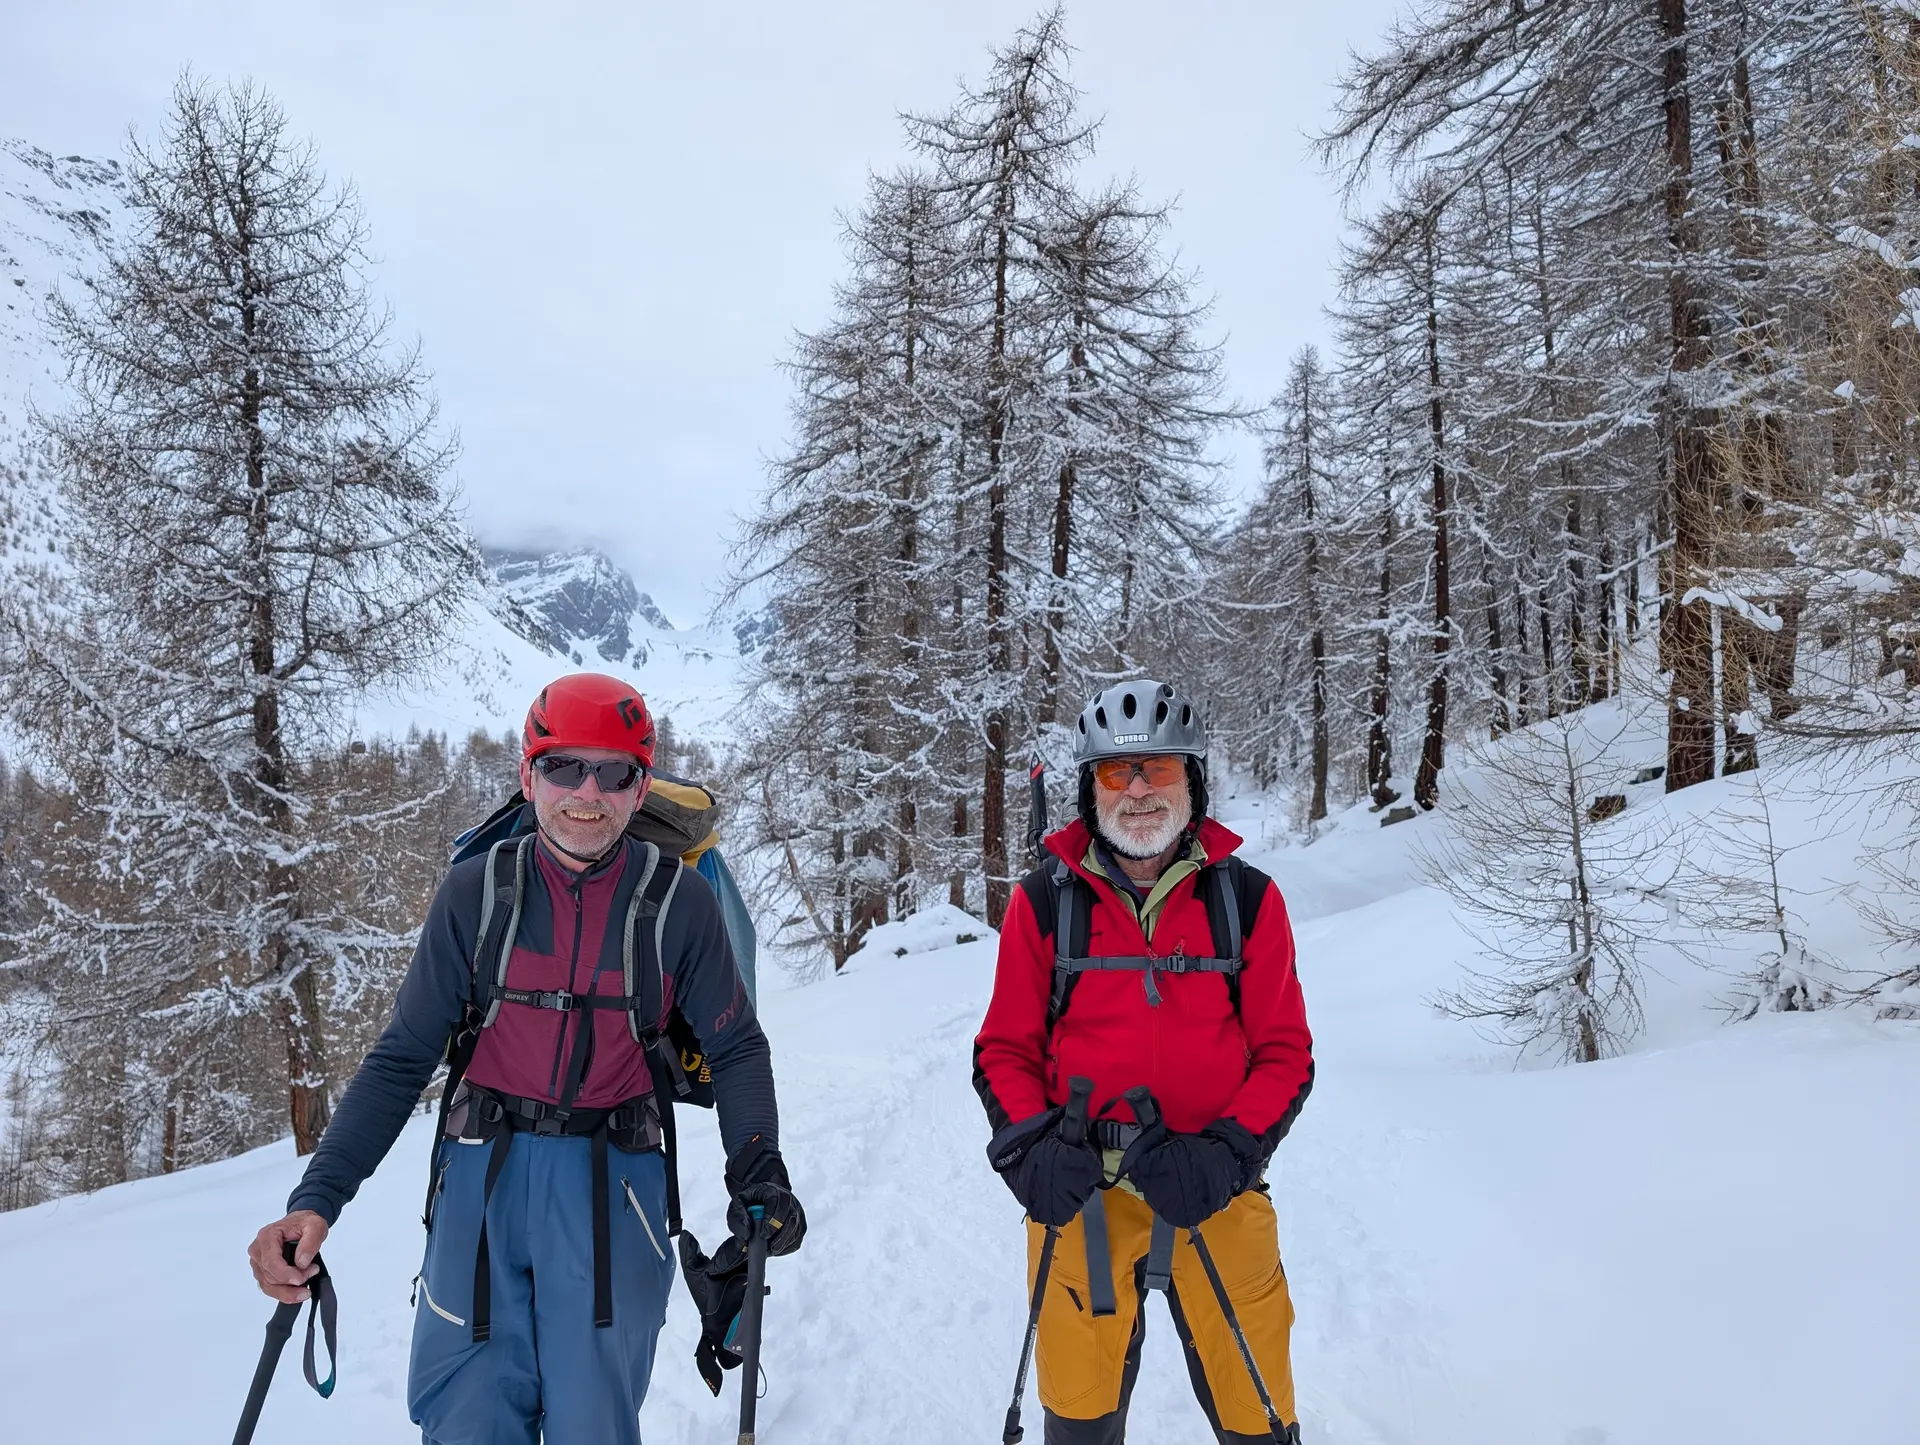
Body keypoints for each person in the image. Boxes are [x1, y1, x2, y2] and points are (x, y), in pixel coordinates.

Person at [247, 672, 803, 1445]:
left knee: (593, 1424)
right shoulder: (475, 894)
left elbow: (736, 1045)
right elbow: (403, 1056)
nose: (588, 792)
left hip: (617, 1187)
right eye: (564, 765)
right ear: (528, 773)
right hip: (483, 1184)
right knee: (468, 1419)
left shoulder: (680, 904)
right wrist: (317, 1198)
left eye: (614, 771)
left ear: (641, 787)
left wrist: (757, 1166)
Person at [973, 679, 1314, 1445]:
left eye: (1157, 768)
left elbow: (1286, 1052)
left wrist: (1229, 1152)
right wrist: (1029, 1148)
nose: (1137, 791)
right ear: (1089, 788)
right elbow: (1004, 1049)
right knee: (1079, 1417)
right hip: (1084, 1201)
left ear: (1191, 780)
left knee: (1258, 1416)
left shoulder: (1247, 901)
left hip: (1216, 1188)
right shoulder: (1043, 903)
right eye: (1115, 772)